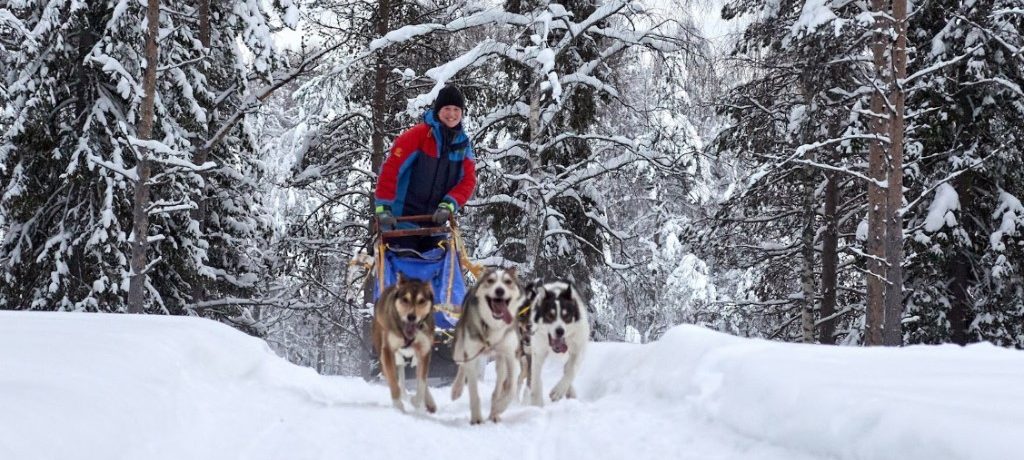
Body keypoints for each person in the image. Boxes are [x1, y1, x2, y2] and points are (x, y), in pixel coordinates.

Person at [374, 84, 477, 252]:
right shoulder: (418, 135)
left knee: (444, 268)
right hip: (402, 221)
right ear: (438, 110)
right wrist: (383, 207)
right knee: (404, 270)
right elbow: (391, 169)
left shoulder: (463, 146)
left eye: (456, 109)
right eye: (447, 108)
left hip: (434, 225)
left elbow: (468, 180)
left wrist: (448, 205)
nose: (452, 114)